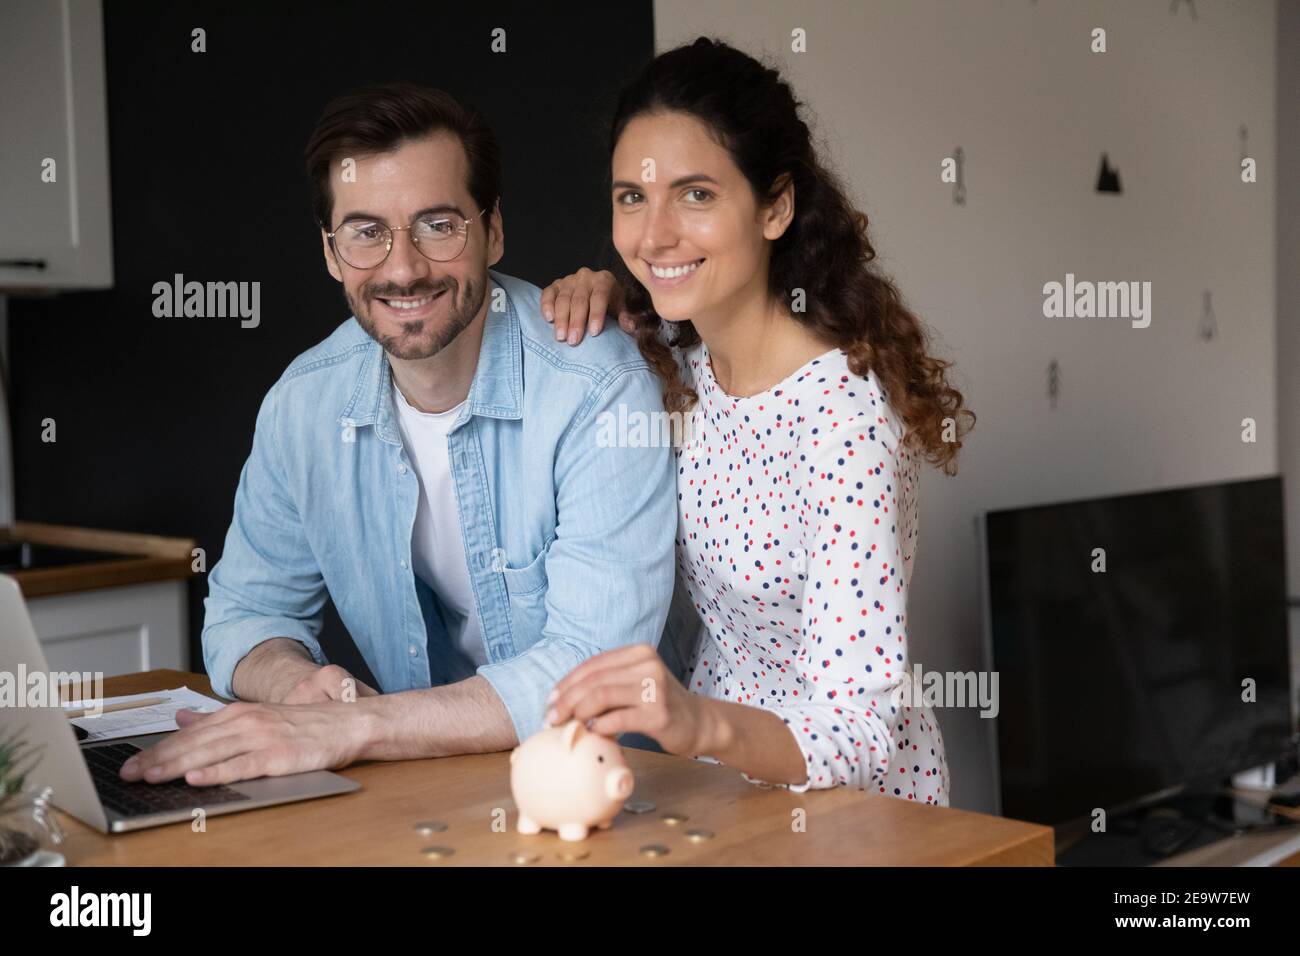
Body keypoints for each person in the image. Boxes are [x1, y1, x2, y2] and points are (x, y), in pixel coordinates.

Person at [120, 82, 676, 787]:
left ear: (492, 230)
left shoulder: (595, 388)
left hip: (614, 797)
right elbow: (243, 614)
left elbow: (597, 671)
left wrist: (352, 727)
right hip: (424, 794)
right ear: (330, 251)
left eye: (438, 225)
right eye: (366, 232)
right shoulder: (303, 406)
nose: (403, 267)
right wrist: (298, 690)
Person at [543, 38, 975, 803]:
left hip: (854, 813)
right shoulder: (682, 351)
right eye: (632, 196)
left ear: (775, 206)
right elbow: (651, 287)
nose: (654, 234)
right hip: (725, 795)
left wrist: (693, 721)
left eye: (697, 194)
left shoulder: (846, 425)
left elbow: (859, 730)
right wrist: (604, 289)